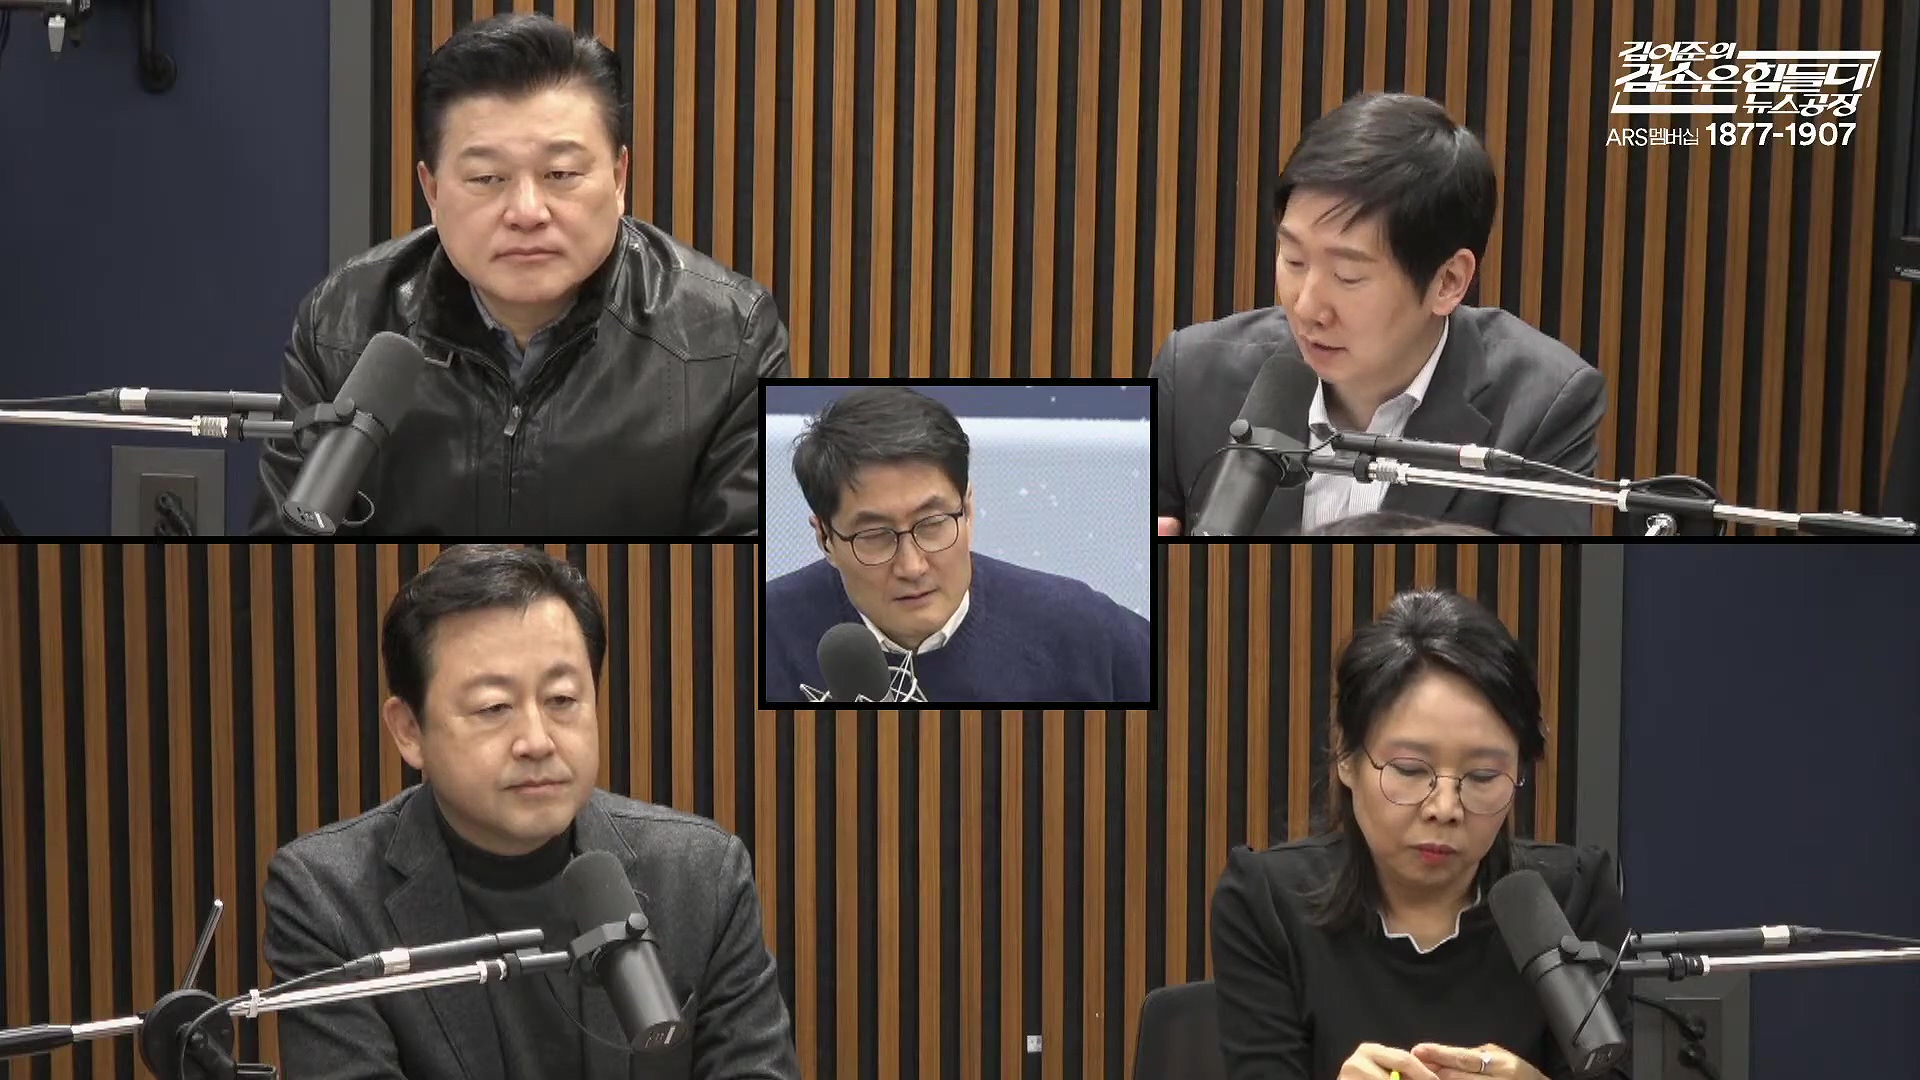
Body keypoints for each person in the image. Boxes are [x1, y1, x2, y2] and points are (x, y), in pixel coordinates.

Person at [263, 545, 799, 1080]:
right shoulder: (328, 897)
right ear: (409, 731)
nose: (537, 741)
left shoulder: (700, 874)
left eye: (561, 700)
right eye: (494, 707)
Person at [252, 13, 784, 536]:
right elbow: (287, 545)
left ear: (619, 177)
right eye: (487, 177)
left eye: (561, 173)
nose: (527, 212)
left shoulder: (729, 339)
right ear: (431, 189)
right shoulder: (340, 323)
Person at [1209, 589, 1631, 1080]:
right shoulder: (1267, 902)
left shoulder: (1572, 900)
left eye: (1482, 777)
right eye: (1410, 770)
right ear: (1346, 756)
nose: (1445, 809)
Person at [1153, 92, 1605, 537]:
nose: (1307, 308)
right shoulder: (1192, 376)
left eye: (1348, 276)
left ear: (1448, 282)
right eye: (1293, 259)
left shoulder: (1539, 407)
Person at [761, 386, 1152, 703]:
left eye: (932, 524)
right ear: (824, 538)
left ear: (967, 510)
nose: (912, 567)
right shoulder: (762, 639)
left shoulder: (1083, 633)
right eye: (875, 536)